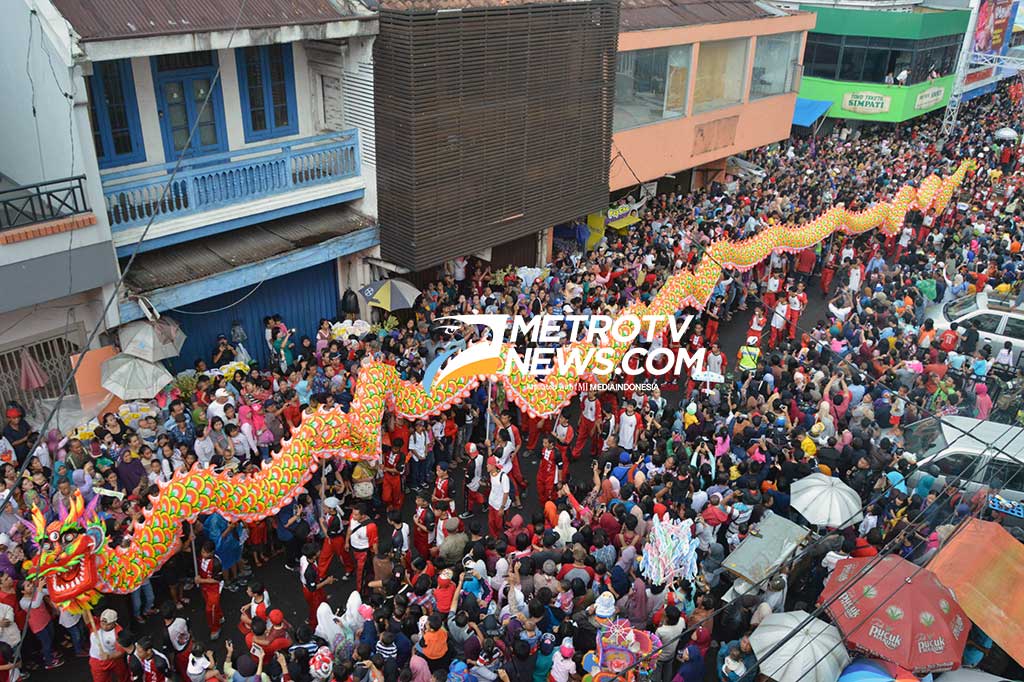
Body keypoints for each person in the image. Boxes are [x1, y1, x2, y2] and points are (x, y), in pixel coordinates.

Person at [89, 608, 130, 682]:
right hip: (97, 660)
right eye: (103, 623)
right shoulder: (94, 623)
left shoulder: (119, 632)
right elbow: (86, 616)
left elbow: (121, 652)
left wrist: (109, 656)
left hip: (115, 659)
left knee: (123, 676)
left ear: (114, 622)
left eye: (108, 624)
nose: (104, 626)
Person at [196, 541, 224, 640]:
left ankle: (215, 629)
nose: (203, 554)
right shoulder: (200, 559)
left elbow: (216, 579)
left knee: (210, 610)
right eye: (202, 552)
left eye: (205, 553)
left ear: (211, 553)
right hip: (205, 586)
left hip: (214, 588)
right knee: (211, 605)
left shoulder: (216, 563)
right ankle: (219, 616)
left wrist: (200, 580)